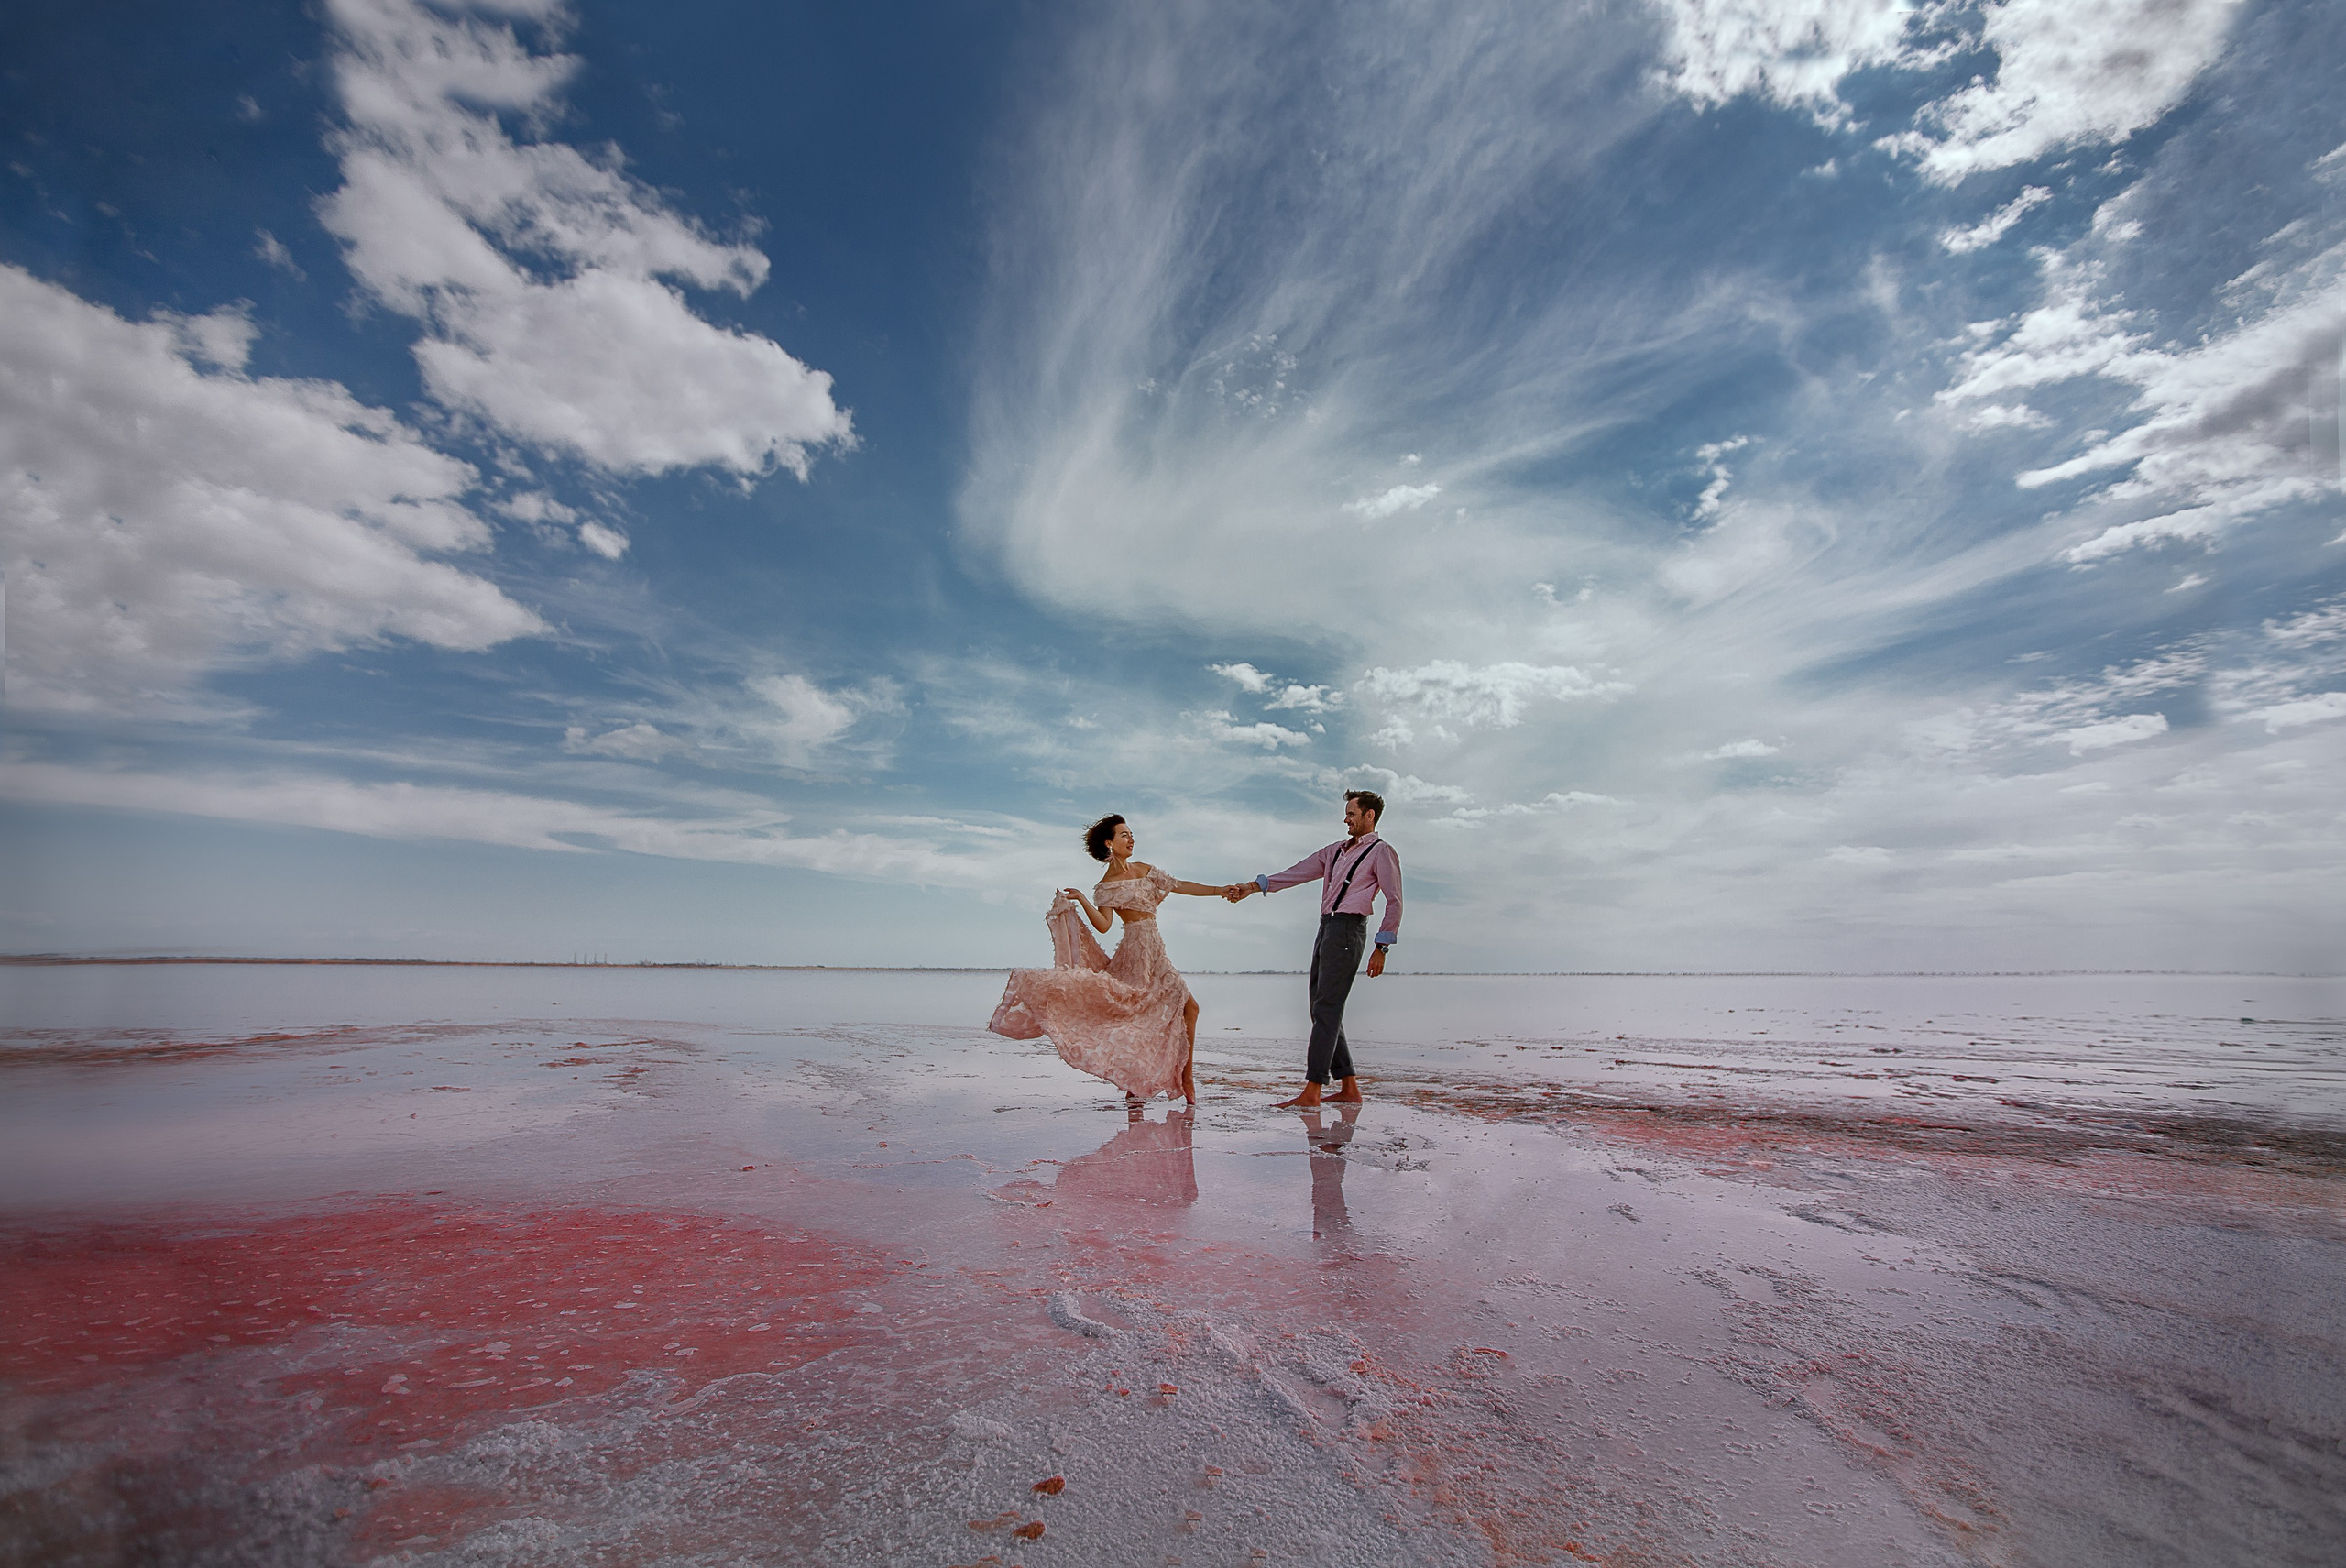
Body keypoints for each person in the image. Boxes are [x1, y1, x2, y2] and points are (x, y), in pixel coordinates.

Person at [988, 814, 1231, 1104]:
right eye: (1124, 835)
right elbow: (1104, 924)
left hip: (1155, 948)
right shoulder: (1106, 886)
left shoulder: (1145, 869)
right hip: (1134, 952)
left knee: (1188, 1009)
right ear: (1109, 843)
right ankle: (1162, 1081)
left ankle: (1180, 1078)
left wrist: (1219, 890)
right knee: (1140, 1015)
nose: (1131, 839)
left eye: (1131, 834)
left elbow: (1180, 885)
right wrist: (1081, 899)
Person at [1223, 789, 1402, 1107]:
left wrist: (1381, 946)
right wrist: (1253, 887)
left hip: (1349, 930)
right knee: (1320, 1007)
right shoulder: (1334, 851)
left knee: (1327, 1009)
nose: (1345, 819)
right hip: (1328, 927)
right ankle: (1348, 1087)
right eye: (1346, 814)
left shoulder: (1381, 852)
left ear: (1369, 815)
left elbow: (1395, 901)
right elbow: (1296, 872)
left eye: (1351, 814)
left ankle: (1313, 1090)